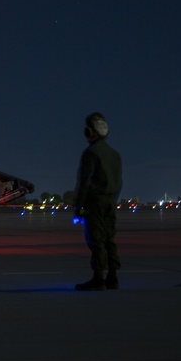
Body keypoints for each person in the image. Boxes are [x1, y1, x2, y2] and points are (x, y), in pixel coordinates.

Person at [73, 112, 123, 291]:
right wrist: (111, 200)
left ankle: (98, 278)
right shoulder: (115, 154)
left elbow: (83, 183)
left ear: (89, 131)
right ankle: (113, 277)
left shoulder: (90, 153)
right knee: (109, 238)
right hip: (110, 201)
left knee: (96, 240)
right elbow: (119, 183)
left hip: (95, 202)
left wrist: (78, 207)